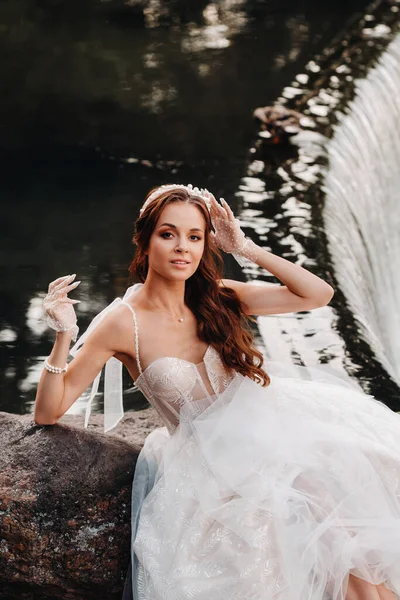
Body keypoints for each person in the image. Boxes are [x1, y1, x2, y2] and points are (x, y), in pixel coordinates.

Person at [34, 184, 400, 600]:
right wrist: (64, 333)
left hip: (275, 426)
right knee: (302, 521)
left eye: (195, 237)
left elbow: (317, 294)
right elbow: (49, 411)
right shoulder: (122, 322)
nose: (182, 248)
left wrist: (245, 248)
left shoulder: (218, 296)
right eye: (168, 234)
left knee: (345, 507)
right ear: (145, 240)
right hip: (208, 458)